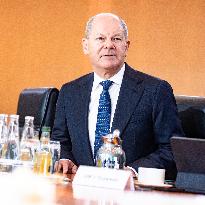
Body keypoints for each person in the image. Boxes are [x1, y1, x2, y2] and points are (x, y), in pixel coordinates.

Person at [51, 13, 184, 179]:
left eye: (116, 39)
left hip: (133, 192)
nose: (109, 45)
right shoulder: (69, 92)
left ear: (126, 46)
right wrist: (64, 158)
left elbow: (172, 149)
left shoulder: (155, 90)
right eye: (100, 38)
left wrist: (133, 171)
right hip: (79, 191)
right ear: (85, 46)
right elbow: (59, 141)